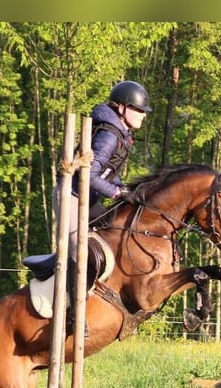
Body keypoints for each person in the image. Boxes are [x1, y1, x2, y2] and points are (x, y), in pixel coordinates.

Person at [53, 80, 152, 263]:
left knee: (115, 235)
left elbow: (108, 172)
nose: (143, 115)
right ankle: (74, 291)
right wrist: (116, 192)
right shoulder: (109, 136)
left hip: (88, 201)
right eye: (139, 110)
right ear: (122, 108)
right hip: (71, 198)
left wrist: (124, 189)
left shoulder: (121, 133)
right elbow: (88, 175)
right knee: (84, 257)